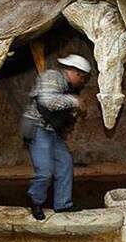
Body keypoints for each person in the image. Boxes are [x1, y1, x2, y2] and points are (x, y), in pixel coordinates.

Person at [20, 54, 91, 220]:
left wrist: (72, 110)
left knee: (65, 163)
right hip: (38, 128)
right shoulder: (53, 76)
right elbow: (48, 101)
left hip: (51, 131)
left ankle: (63, 204)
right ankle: (34, 199)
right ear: (75, 72)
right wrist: (75, 101)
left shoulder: (67, 86)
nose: (82, 82)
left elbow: (59, 110)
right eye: (82, 78)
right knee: (45, 171)